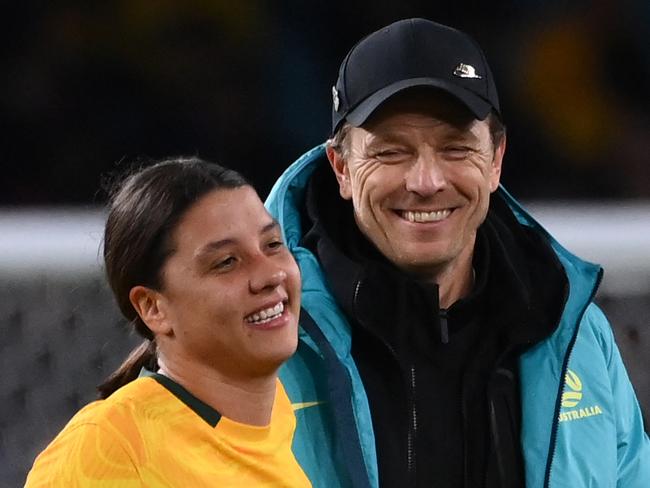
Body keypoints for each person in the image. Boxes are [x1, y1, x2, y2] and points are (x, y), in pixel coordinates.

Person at [266, 18, 650, 487]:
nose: (426, 182)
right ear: (342, 168)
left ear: (496, 159)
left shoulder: (575, 334)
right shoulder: (265, 338)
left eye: (455, 148)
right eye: (391, 153)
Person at [25, 158, 311, 487]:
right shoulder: (111, 446)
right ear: (153, 307)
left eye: (272, 244)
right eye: (227, 262)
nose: (271, 274)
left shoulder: (287, 421)